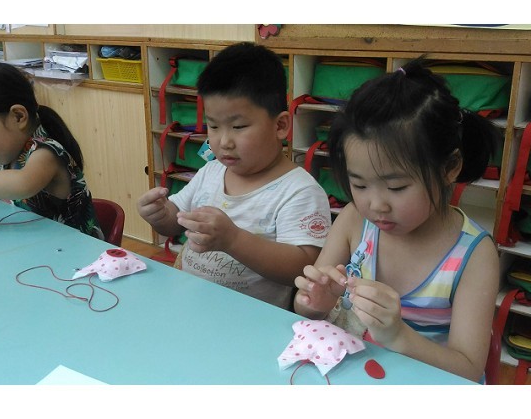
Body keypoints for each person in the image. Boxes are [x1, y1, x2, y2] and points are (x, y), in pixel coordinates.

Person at [293, 58, 501, 383]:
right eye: (359, 185)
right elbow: (307, 309)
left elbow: (469, 370)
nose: (376, 205)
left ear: (449, 168)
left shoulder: (473, 255)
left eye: (396, 187)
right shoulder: (354, 221)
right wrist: (315, 301)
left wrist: (398, 336)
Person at [137, 42, 331, 310]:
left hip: (249, 320)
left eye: (238, 127)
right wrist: (161, 215)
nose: (224, 141)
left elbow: (303, 268)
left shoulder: (299, 191)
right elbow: (176, 222)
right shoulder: (212, 171)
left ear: (280, 125)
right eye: (213, 126)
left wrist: (233, 240)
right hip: (190, 304)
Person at [0, 59, 103, 239]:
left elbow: (23, 184)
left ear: (18, 117)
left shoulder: (46, 153)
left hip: (75, 250)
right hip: (31, 245)